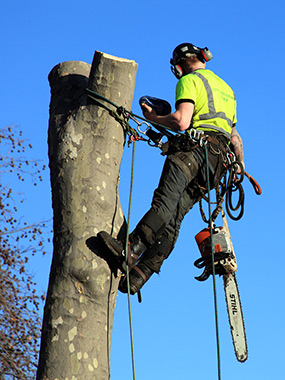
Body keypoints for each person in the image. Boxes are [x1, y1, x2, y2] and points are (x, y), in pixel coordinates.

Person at [98, 42, 244, 294]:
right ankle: (142, 273)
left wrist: (154, 118)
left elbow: (181, 121)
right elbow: (235, 138)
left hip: (193, 153)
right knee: (175, 217)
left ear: (180, 63)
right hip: (217, 166)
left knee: (165, 203)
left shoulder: (189, 81)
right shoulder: (227, 90)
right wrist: (239, 167)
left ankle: (130, 248)